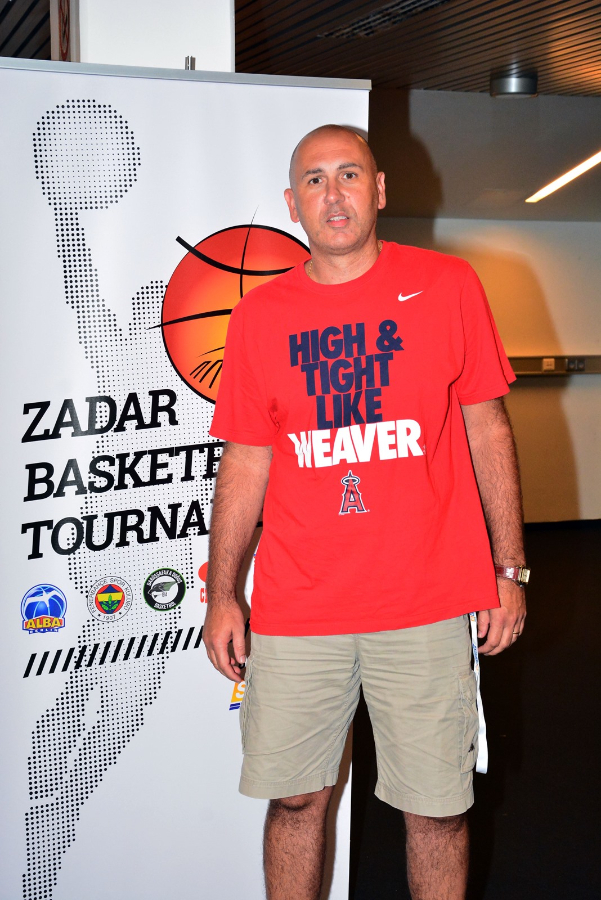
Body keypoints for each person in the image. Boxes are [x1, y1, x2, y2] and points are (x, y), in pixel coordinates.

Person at [203, 124, 528, 900]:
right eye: (313, 180)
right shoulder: (259, 316)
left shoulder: (447, 285)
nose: (332, 193)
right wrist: (221, 594)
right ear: (292, 204)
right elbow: (245, 462)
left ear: (378, 190)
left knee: (436, 812)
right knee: (295, 801)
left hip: (427, 601)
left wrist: (509, 566)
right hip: (297, 607)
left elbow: (487, 427)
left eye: (348, 174)